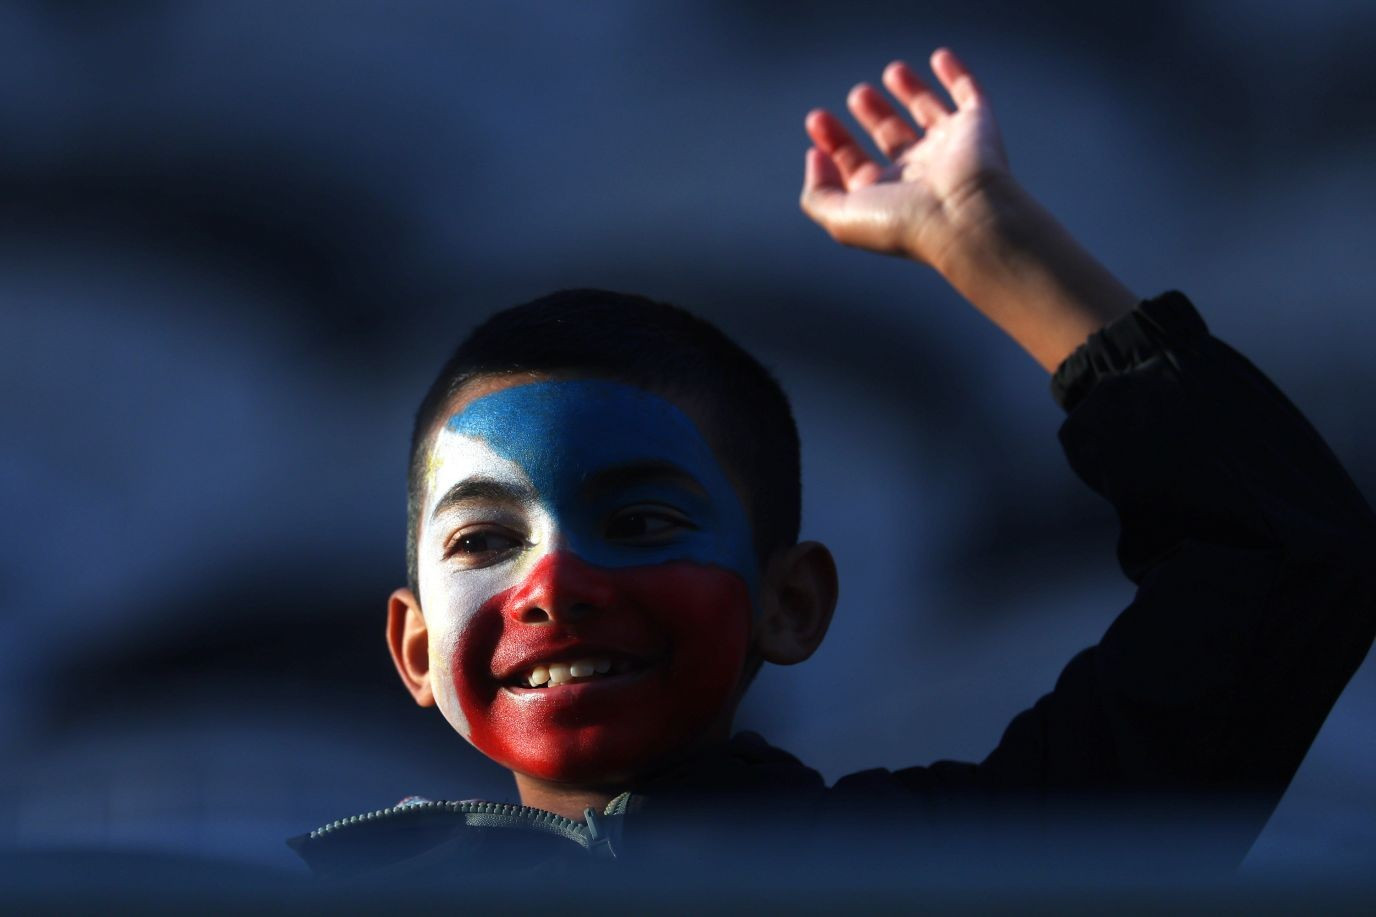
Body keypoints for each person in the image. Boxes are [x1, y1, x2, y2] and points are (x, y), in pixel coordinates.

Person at [289, 49, 1376, 887]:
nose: (555, 584)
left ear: (791, 602)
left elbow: (1279, 556)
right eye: (484, 540)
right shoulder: (298, 892)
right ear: (415, 643)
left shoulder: (941, 876)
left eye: (646, 521)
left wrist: (987, 242)